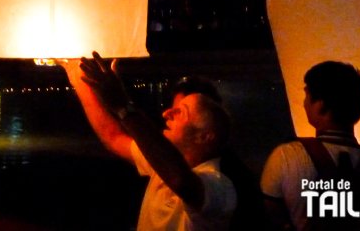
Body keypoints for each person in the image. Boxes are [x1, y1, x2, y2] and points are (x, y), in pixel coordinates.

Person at [63, 52, 236, 230]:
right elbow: (112, 137)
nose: (166, 114)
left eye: (180, 112)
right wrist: (76, 74)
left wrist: (123, 106)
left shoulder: (220, 187)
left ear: (204, 136)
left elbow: (180, 181)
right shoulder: (160, 163)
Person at [260, 61, 360, 231]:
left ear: (321, 106)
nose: (304, 103)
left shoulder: (286, 156)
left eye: (307, 96)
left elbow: (270, 216)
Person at [168, 76, 265, 231]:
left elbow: (183, 183)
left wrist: (126, 109)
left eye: (181, 112)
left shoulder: (227, 178)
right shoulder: (168, 158)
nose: (168, 114)